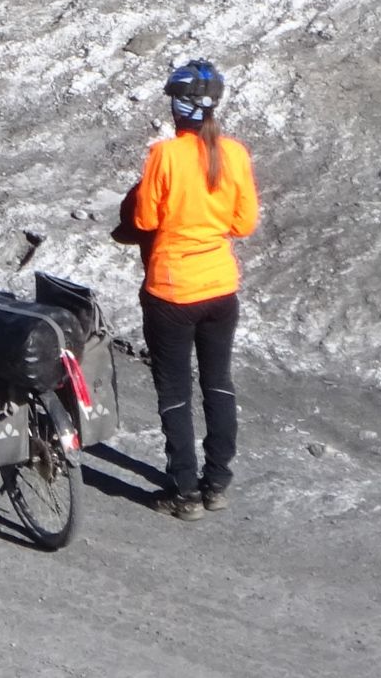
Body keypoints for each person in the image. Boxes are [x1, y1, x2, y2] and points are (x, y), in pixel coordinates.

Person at [128, 59, 260, 519]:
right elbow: (243, 223)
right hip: (220, 287)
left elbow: (145, 219)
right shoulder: (235, 154)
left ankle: (184, 491)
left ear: (177, 108)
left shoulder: (164, 155)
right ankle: (217, 483)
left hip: (171, 289)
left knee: (175, 391)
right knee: (218, 383)